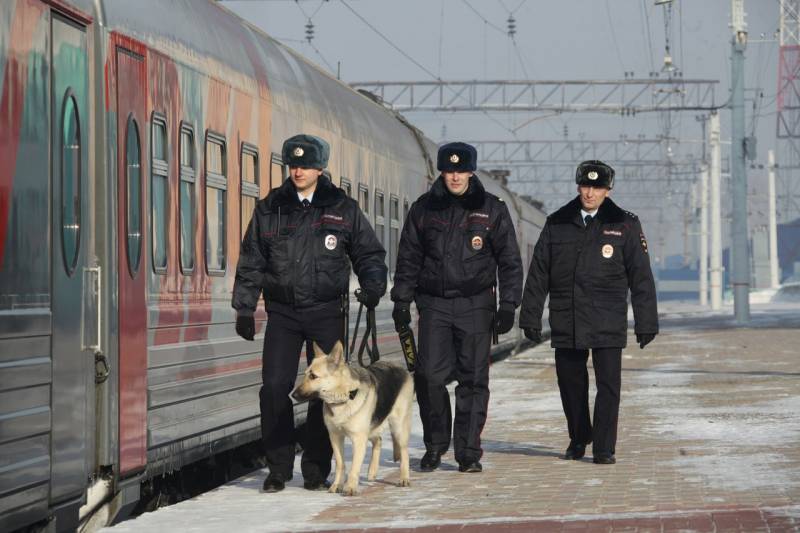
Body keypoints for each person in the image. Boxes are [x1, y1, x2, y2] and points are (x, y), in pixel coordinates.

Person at [232, 134, 387, 492]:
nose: (298, 170)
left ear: (320, 168)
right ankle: (278, 467)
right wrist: (244, 307)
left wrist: (374, 284)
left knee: (326, 391)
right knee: (274, 388)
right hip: (283, 314)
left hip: (325, 312)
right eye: (293, 164)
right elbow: (252, 259)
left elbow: (368, 253)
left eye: (305, 165)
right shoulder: (271, 208)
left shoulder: (342, 208)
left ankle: (316, 467)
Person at [391, 142, 523, 473]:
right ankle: (436, 445)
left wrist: (508, 305)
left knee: (474, 380)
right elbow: (409, 257)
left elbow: (509, 261)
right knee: (429, 377)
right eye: (449, 170)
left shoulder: (492, 209)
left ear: (471, 171)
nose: (454, 176)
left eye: (461, 170)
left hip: (476, 305)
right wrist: (401, 300)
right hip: (434, 304)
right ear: (441, 171)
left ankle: (468, 452)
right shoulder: (424, 209)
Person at [519, 160, 658, 465]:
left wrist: (646, 321)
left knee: (608, 386)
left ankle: (604, 447)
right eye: (585, 186)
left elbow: (641, 276)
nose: (590, 193)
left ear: (608, 190)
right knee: (571, 384)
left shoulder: (625, 224)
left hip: (608, 318)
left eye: (597, 187)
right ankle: (580, 436)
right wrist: (529, 316)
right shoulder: (557, 223)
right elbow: (539, 273)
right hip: (566, 317)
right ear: (578, 186)